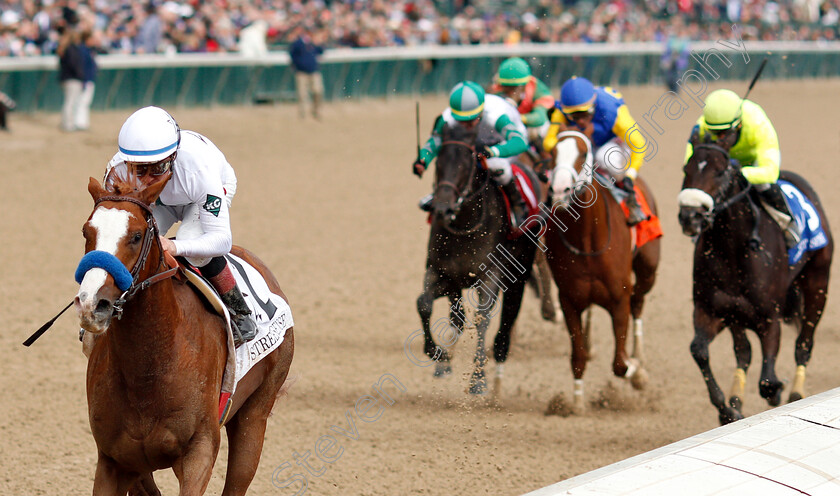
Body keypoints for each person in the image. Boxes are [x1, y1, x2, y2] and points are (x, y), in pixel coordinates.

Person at [103, 106, 258, 345]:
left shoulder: (199, 170)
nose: (147, 180)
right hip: (162, 202)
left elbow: (221, 240)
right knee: (131, 242)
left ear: (173, 157)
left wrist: (176, 248)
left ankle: (240, 312)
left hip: (201, 196)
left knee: (194, 246)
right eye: (139, 169)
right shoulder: (117, 172)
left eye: (158, 169)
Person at [684, 88, 800, 248]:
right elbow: (691, 166)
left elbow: (770, 172)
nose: (719, 138)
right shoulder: (702, 126)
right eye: (715, 133)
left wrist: (739, 173)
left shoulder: (758, 124)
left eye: (724, 133)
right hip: (722, 164)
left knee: (763, 185)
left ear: (738, 125)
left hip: (753, 162)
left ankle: (787, 223)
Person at [413, 81, 530, 227]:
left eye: (470, 120)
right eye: (461, 121)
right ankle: (442, 194)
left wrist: (493, 151)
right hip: (473, 144)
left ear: (481, 111)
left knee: (497, 165)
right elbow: (436, 141)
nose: (465, 125)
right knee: (451, 160)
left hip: (502, 143)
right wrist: (423, 160)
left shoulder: (496, 115)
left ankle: (517, 204)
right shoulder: (448, 118)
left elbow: (520, 142)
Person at [543, 76, 648, 226]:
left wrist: (630, 174)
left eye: (585, 114)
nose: (580, 121)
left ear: (594, 105)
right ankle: (549, 202)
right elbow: (548, 142)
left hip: (608, 142)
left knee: (605, 159)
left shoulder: (613, 112)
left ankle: (630, 200)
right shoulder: (560, 110)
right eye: (574, 116)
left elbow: (639, 144)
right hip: (580, 145)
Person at [488, 57, 555, 161]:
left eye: (514, 88)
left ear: (524, 85)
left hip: (530, 127)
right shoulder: (495, 89)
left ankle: (545, 164)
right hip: (507, 125)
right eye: (506, 87)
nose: (510, 92)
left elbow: (539, 118)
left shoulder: (539, 90)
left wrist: (517, 117)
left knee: (540, 131)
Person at [289, 25, 325, 120]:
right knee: (302, 94)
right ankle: (302, 114)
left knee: (318, 91)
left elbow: (321, 51)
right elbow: (292, 54)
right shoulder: (298, 43)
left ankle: (316, 111)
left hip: (314, 71)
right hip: (301, 72)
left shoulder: (314, 44)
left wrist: (318, 43)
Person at [57, 26, 84, 132]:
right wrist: (80, 76)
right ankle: (68, 124)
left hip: (66, 79)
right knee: (70, 103)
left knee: (69, 102)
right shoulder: (71, 49)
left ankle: (68, 123)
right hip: (72, 79)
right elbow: (74, 65)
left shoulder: (64, 49)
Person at [75, 28, 98, 131]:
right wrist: (83, 80)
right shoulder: (83, 51)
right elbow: (83, 67)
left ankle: (83, 122)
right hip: (85, 80)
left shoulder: (88, 50)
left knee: (85, 102)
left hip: (89, 80)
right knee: (82, 102)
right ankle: (80, 123)